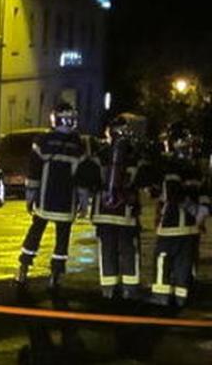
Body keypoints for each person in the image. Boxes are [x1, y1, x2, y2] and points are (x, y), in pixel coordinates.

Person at [16, 102, 91, 291]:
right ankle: (55, 275)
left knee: (35, 233)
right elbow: (83, 178)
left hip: (44, 200)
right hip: (67, 203)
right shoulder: (79, 145)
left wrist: (30, 197)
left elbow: (34, 172)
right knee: (62, 238)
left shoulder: (43, 141)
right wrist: (83, 202)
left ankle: (23, 269)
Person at [86, 115, 156, 300]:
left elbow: (87, 179)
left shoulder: (99, 155)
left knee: (107, 250)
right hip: (126, 212)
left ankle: (108, 289)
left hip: (103, 212)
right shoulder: (134, 156)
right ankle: (130, 288)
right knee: (129, 250)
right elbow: (147, 179)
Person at [150, 124, 211, 307]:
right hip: (190, 228)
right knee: (184, 264)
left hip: (171, 225)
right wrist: (202, 212)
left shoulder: (170, 166)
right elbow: (206, 194)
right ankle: (181, 298)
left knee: (162, 259)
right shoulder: (195, 168)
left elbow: (171, 193)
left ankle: (161, 298)